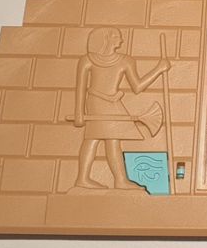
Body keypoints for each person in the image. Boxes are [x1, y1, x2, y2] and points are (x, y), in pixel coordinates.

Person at [73, 27, 171, 189]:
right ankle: (85, 179)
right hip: (96, 101)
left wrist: (158, 69)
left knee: (111, 140)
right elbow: (80, 88)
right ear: (106, 38)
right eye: (117, 37)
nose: (121, 40)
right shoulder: (87, 60)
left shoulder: (125, 61)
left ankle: (118, 180)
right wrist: (79, 112)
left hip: (114, 103)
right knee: (93, 137)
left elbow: (137, 86)